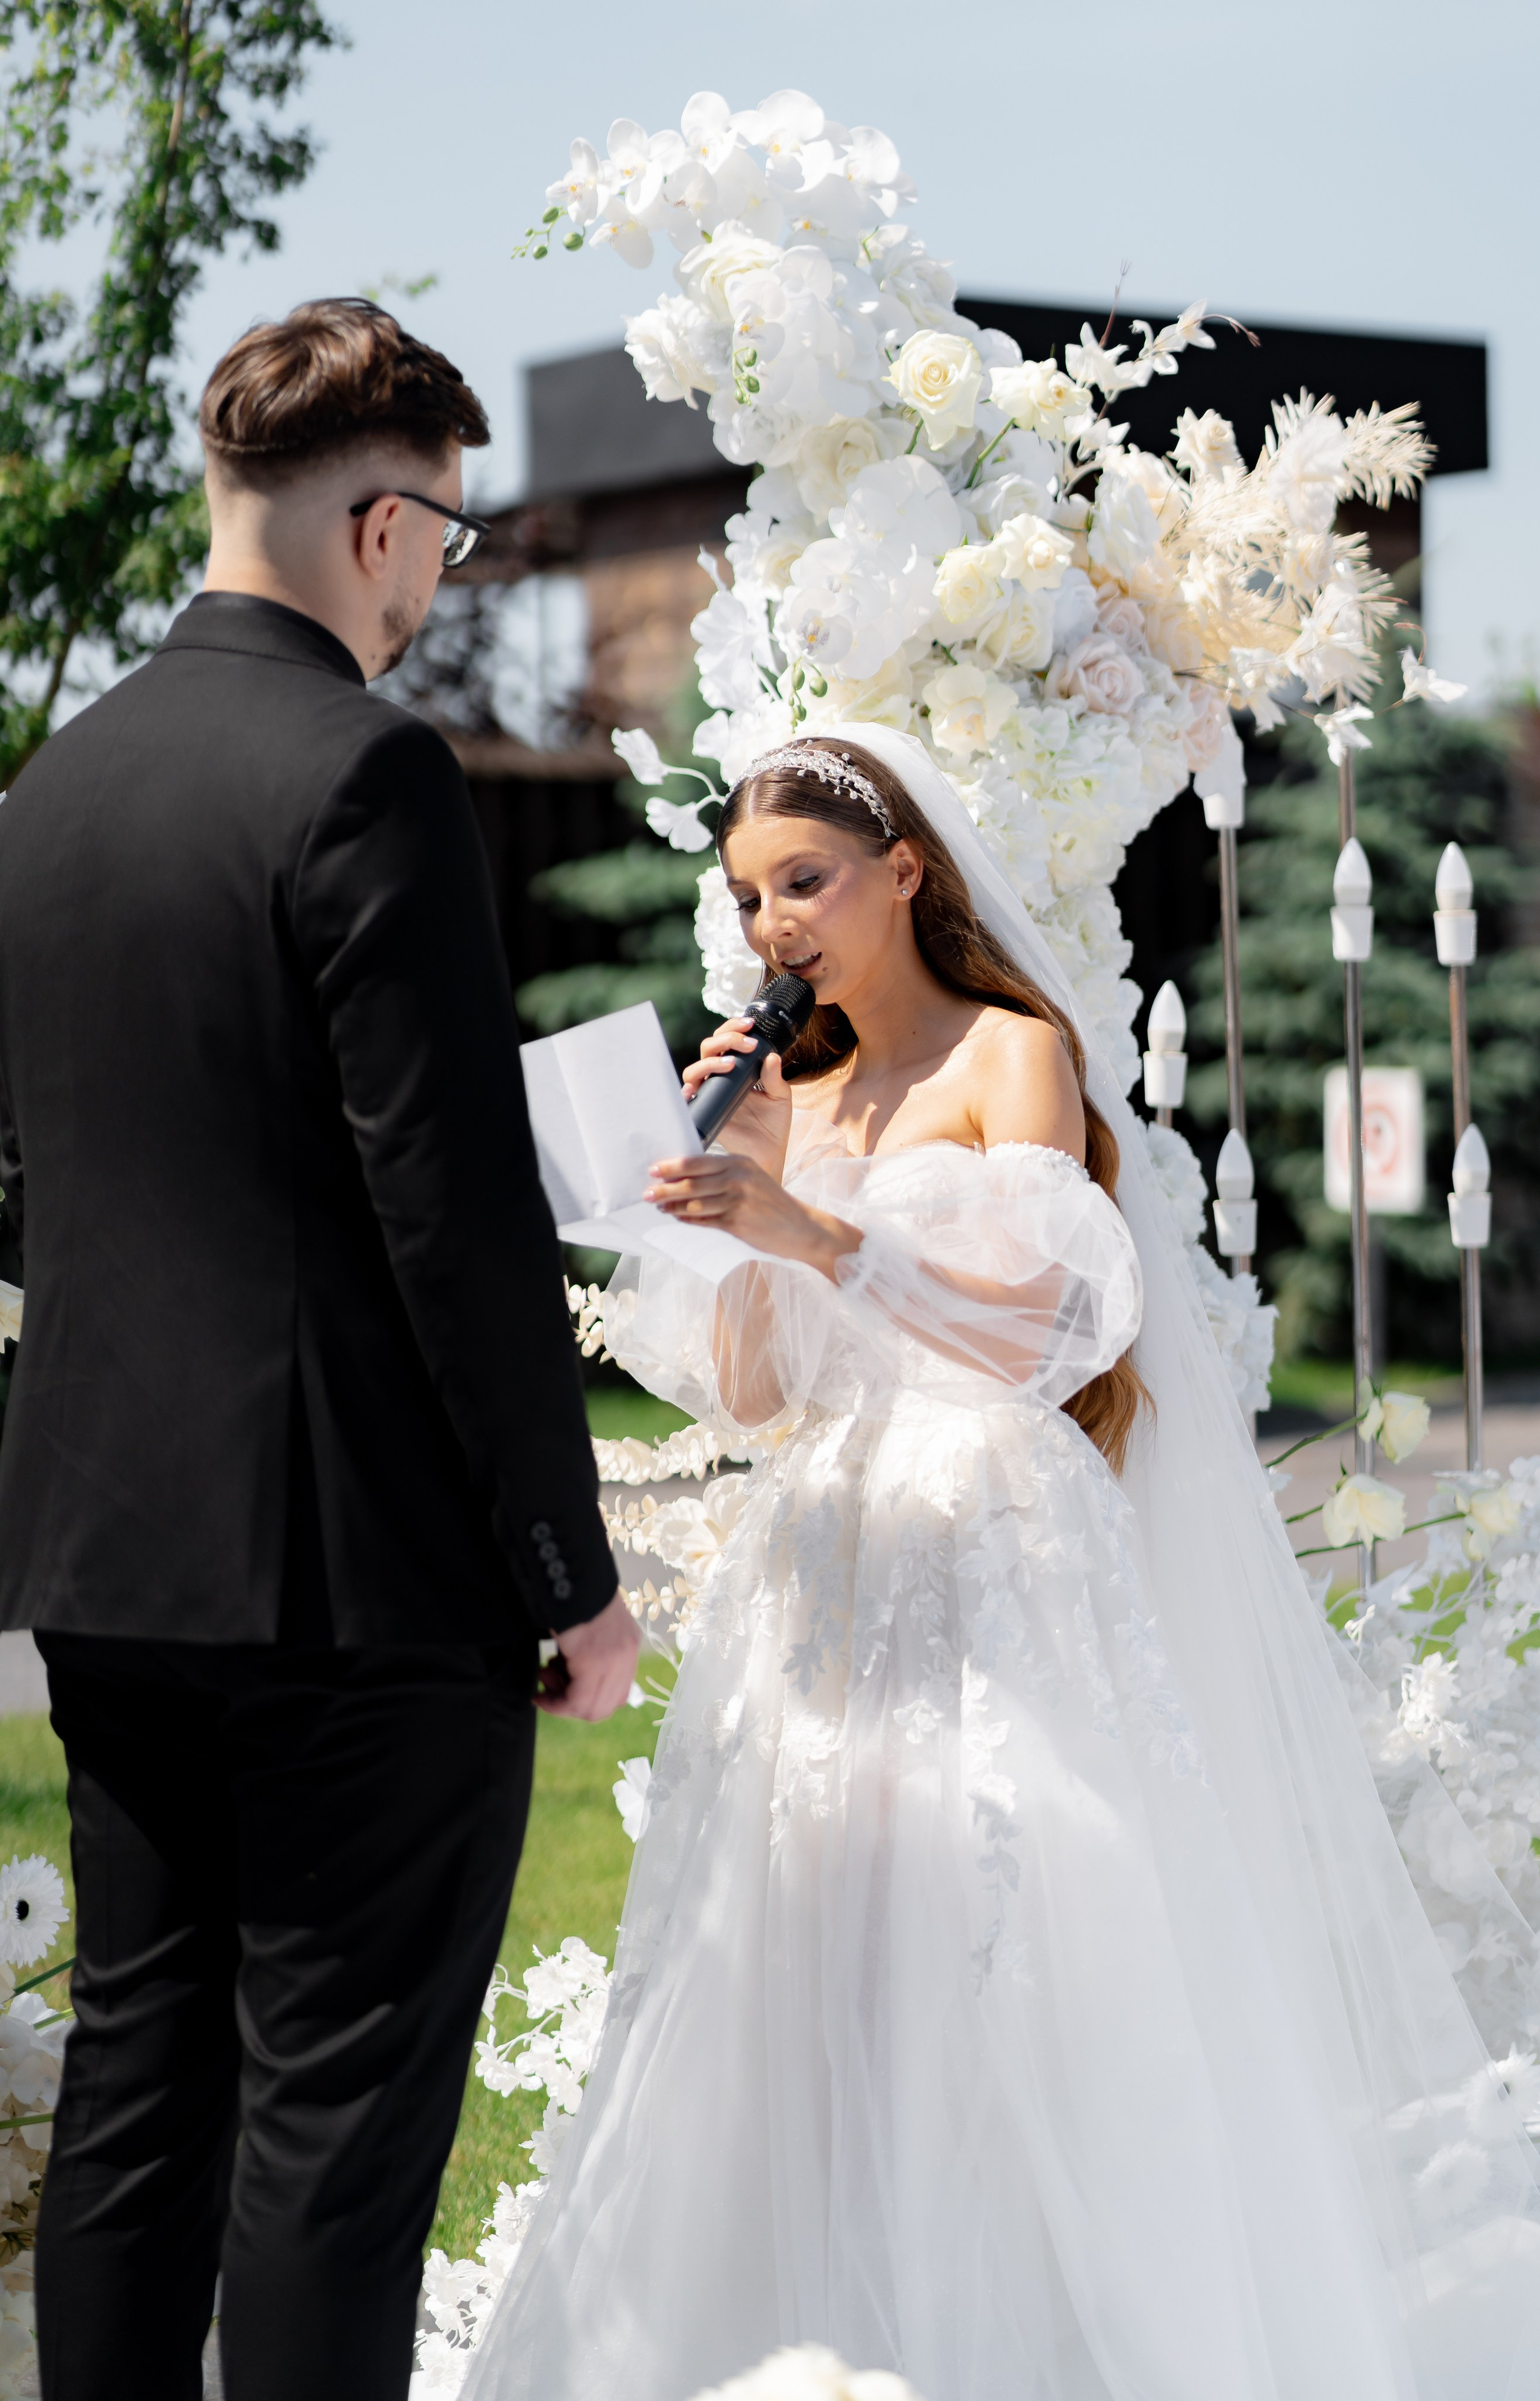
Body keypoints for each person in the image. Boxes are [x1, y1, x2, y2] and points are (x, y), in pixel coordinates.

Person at [461, 729, 1540, 2401]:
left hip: (993, 1532)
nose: (773, 925)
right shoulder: (799, 1095)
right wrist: (755, 1180)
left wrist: (820, 1231)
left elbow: (1048, 1334)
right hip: (831, 1555)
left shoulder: (1016, 1055)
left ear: (904, 870)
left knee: (1018, 1921)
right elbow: (759, 1392)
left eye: (803, 881)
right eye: (749, 898)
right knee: (810, 1940)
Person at [0, 298, 638, 2401]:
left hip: (109, 1555)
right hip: (355, 1580)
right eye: (446, 539)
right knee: (335, 2143)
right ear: (380, 526)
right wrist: (567, 1570)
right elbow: (452, 1219)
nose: (437, 583)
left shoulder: (50, 791)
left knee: (139, 2085)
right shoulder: (366, 769)